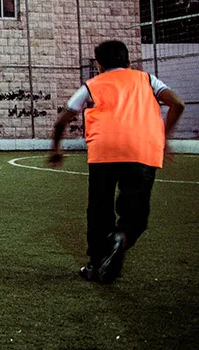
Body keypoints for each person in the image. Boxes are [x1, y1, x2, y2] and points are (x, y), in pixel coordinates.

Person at [49, 40, 184, 283]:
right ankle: (121, 238)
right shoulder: (148, 80)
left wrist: (55, 150)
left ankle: (95, 264)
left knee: (99, 209)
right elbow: (178, 103)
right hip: (143, 149)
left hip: (104, 151)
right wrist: (164, 137)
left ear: (99, 65)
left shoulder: (92, 85)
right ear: (128, 61)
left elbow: (62, 120)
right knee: (136, 212)